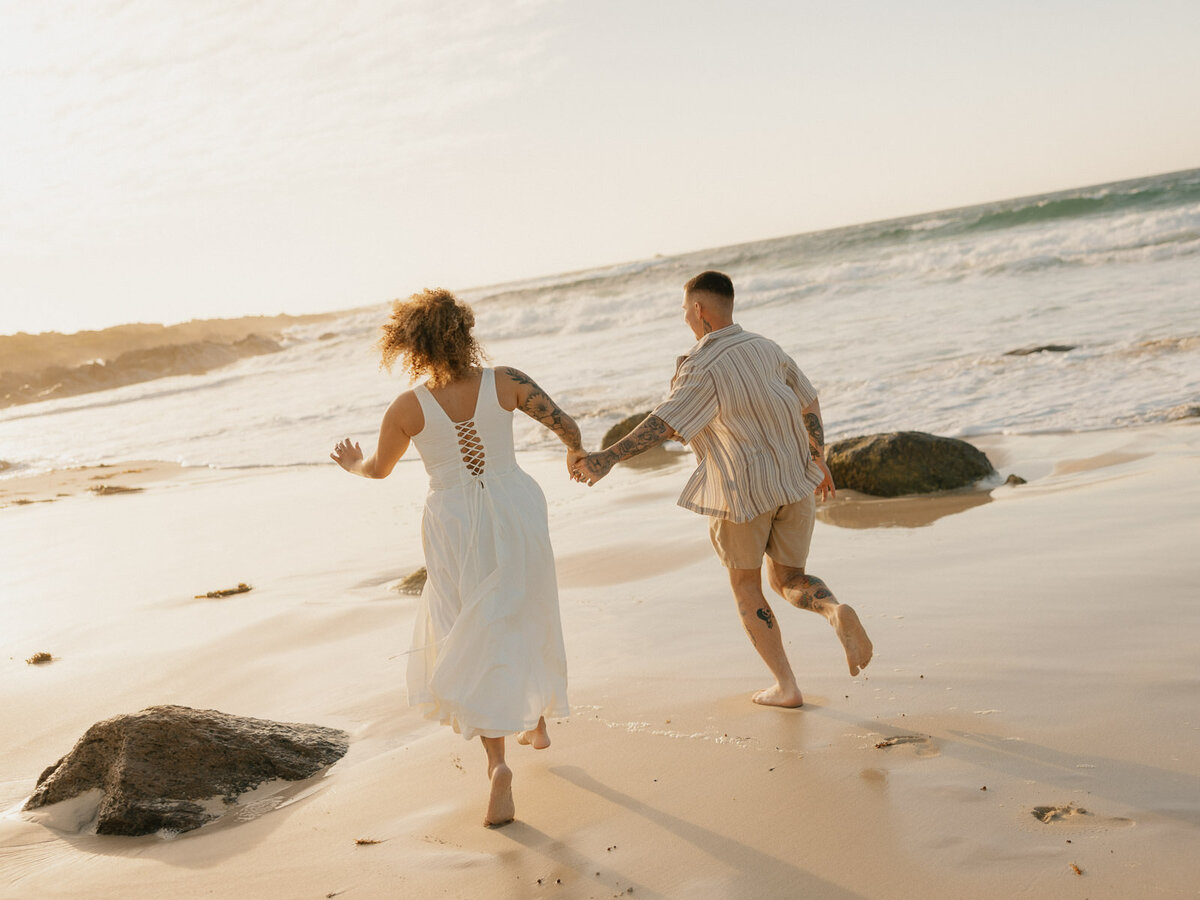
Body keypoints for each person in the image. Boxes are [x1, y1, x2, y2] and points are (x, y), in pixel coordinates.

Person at [331, 288, 584, 826]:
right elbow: (567, 424)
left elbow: (378, 470)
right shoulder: (508, 381)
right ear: (464, 331)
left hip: (453, 522)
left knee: (469, 628)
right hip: (515, 505)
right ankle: (536, 718)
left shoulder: (407, 407)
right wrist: (576, 452)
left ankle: (497, 765)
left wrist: (351, 463)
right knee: (525, 606)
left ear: (409, 344)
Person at [571, 271, 872, 707]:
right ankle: (833, 611)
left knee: (747, 587)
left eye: (684, 310)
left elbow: (664, 421)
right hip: (795, 481)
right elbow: (808, 400)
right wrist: (818, 456)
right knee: (790, 579)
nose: (684, 318)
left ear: (698, 309)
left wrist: (607, 458)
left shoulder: (700, 364)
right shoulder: (766, 347)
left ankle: (786, 687)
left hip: (740, 493)